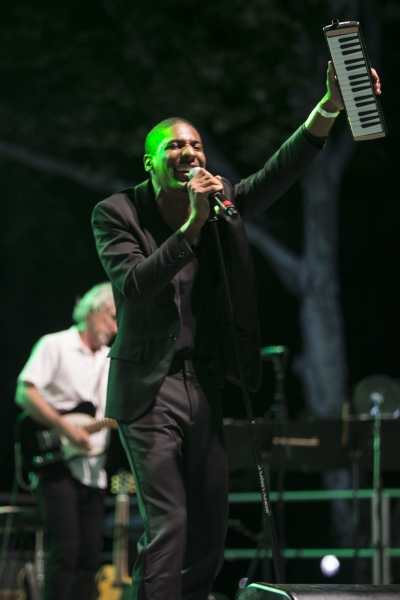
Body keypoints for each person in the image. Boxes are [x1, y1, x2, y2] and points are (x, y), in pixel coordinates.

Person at [91, 64, 381, 600]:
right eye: (175, 146)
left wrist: (332, 106)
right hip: (148, 391)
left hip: (205, 382)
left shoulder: (224, 206)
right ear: (151, 161)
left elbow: (279, 171)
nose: (191, 153)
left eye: (196, 146)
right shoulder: (118, 212)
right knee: (170, 522)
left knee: (209, 531)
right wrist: (191, 225)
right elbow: (133, 286)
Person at [15, 282, 117, 600]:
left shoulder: (112, 358)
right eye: (113, 317)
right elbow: (25, 391)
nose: (116, 327)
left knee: (89, 557)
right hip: (56, 463)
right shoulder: (55, 345)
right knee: (64, 551)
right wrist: (63, 426)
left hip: (93, 468)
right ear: (95, 310)